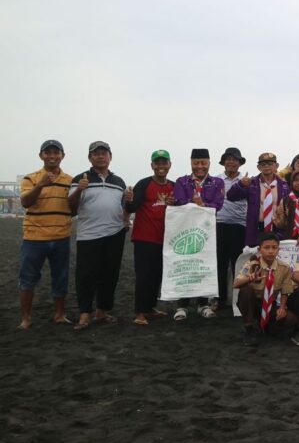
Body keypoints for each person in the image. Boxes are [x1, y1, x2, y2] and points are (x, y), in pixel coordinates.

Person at [69, 141, 130, 331]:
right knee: (86, 275)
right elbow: (70, 206)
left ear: (110, 157)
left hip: (115, 233)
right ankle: (85, 313)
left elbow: (123, 207)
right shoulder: (80, 178)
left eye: (104, 153)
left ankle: (102, 311)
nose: (100, 156)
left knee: (109, 274)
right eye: (96, 153)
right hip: (88, 235)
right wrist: (79, 189)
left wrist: (127, 214)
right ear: (90, 158)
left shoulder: (119, 181)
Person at [18, 139, 73, 329]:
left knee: (61, 277)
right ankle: (26, 318)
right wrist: (40, 184)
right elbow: (26, 202)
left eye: (56, 152)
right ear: (41, 155)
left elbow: (74, 208)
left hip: (61, 236)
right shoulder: (30, 178)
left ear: (63, 156)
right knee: (28, 279)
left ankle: (59, 314)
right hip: (34, 238)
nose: (52, 156)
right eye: (47, 152)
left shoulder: (70, 180)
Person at [171, 148, 226, 320]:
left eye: (203, 163)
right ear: (191, 163)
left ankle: (203, 304)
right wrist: (197, 204)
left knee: (205, 265)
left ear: (209, 163)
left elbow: (218, 204)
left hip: (208, 231)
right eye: (196, 163)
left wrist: (201, 204)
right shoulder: (181, 181)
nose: (200, 166)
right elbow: (179, 201)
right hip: (185, 229)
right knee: (185, 263)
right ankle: (182, 305)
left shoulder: (217, 182)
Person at [125, 150, 175, 326]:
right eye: (157, 163)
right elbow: (132, 207)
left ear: (170, 165)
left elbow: (180, 209)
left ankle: (150, 307)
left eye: (164, 163)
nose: (161, 166)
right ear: (152, 165)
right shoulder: (144, 184)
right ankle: (139, 312)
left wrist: (174, 203)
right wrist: (128, 200)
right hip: (144, 238)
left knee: (157, 275)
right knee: (143, 276)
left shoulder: (174, 186)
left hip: (165, 239)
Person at [233, 233, 299, 347]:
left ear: (279, 250)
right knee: (246, 290)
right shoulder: (252, 265)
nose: (270, 251)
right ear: (259, 249)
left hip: (269, 304)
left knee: (290, 319)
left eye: (274, 248)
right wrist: (250, 278)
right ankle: (249, 328)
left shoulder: (284, 268)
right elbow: (236, 284)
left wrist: (282, 307)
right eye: (267, 247)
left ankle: (266, 326)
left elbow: (285, 291)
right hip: (253, 304)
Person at [226, 152, 289, 248]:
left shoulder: (285, 186)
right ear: (258, 167)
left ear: (276, 166)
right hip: (256, 230)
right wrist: (241, 184)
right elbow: (231, 196)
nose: (266, 167)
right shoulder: (251, 183)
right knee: (255, 259)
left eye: (270, 164)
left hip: (277, 230)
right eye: (263, 164)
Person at [215, 147, 248, 313]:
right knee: (219, 265)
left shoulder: (247, 181)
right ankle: (220, 300)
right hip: (219, 225)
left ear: (239, 163)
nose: (231, 162)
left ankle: (237, 301)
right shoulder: (215, 180)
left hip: (239, 226)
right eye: (228, 159)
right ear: (224, 162)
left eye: (235, 159)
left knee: (238, 265)